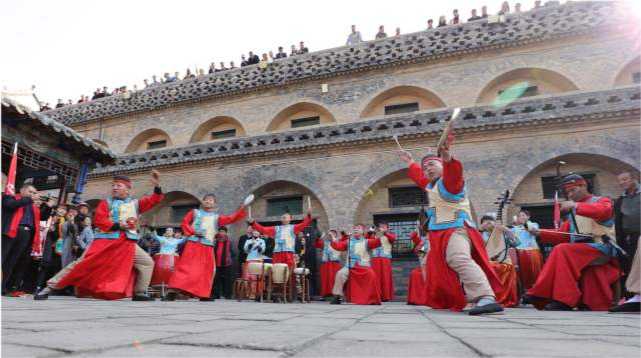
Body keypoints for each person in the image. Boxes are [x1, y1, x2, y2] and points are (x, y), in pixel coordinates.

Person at [398, 130, 504, 315]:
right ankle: (462, 298)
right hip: (439, 234)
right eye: (425, 168)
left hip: (456, 229)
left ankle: (485, 296)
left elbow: (454, 172)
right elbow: (421, 178)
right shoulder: (432, 186)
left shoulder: (450, 183)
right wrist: (410, 162)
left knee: (458, 259)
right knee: (435, 267)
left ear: (441, 165)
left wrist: (447, 157)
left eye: (432, 164)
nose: (428, 169)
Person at [34, 170, 164, 301]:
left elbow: (154, 200)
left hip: (126, 242)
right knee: (81, 264)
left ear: (127, 189)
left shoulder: (135, 204)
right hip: (105, 241)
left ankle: (139, 293)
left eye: (118, 185)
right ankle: (49, 288)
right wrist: (119, 225)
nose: (114, 187)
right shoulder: (106, 203)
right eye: (113, 185)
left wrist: (157, 185)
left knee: (147, 263)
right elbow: (99, 221)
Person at [524, 174, 619, 311]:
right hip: (582, 249)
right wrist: (541, 232)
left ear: (584, 185)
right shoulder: (573, 211)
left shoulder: (601, 201)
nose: (570, 194)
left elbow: (604, 211)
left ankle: (555, 297)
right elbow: (564, 234)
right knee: (562, 248)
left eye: (573, 190)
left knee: (562, 250)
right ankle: (553, 296)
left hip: (602, 247)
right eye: (568, 192)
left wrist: (576, 205)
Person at [164, 193, 246, 301]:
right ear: (203, 202)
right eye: (206, 200)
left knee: (206, 270)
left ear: (215, 204)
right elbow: (184, 224)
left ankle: (203, 294)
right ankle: (172, 291)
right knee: (185, 267)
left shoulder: (217, 217)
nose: (208, 201)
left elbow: (231, 219)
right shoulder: (195, 212)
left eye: (211, 200)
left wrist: (242, 208)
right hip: (193, 243)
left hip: (207, 246)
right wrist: (193, 232)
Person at [0, 184, 54, 294]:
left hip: (26, 234)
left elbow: (42, 217)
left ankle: (2, 285)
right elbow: (11, 206)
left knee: (11, 261)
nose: (33, 194)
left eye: (34, 193)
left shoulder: (33, 206)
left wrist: (48, 207)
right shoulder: (10, 198)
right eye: (31, 192)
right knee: (1, 258)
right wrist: (30, 199)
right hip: (11, 231)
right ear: (22, 190)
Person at [330, 225, 382, 305]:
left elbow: (377, 243)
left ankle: (372, 298)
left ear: (363, 232)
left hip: (363, 265)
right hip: (350, 265)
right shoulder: (348, 241)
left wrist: (379, 234)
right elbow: (338, 246)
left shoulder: (367, 241)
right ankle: (337, 296)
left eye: (358, 228)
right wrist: (333, 239)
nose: (356, 229)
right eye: (355, 228)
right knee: (340, 274)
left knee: (371, 274)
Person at [479, 215, 519, 307]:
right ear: (481, 225)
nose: (488, 223)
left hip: (504, 262)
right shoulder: (480, 235)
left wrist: (507, 231)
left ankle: (502, 297)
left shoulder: (503, 234)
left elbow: (517, 243)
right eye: (485, 222)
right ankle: (486, 296)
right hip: (487, 261)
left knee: (502, 267)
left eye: (490, 221)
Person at [614, 170, 641, 298]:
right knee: (630, 265)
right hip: (629, 238)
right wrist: (619, 243)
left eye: (624, 179)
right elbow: (618, 221)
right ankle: (632, 297)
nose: (621, 183)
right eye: (620, 181)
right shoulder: (620, 200)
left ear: (635, 178)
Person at [511, 209, 543, 291]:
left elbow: (533, 232)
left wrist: (525, 224)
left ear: (528, 217)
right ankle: (524, 289)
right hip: (519, 252)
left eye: (523, 215)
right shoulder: (514, 228)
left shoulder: (533, 224)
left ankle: (536, 288)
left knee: (534, 270)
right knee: (522, 272)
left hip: (532, 251)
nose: (521, 217)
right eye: (519, 216)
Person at [369, 223, 396, 302]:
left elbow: (393, 238)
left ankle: (385, 296)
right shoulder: (374, 236)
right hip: (375, 259)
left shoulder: (389, 235)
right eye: (380, 227)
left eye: (383, 227)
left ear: (387, 229)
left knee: (385, 277)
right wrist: (371, 232)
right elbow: (367, 240)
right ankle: (376, 295)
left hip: (385, 259)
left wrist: (384, 232)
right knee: (375, 277)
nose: (381, 228)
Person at [315, 229, 345, 299]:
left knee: (335, 278)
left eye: (333, 233)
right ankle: (324, 295)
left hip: (334, 263)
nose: (331, 235)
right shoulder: (325, 242)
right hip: (325, 263)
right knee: (325, 279)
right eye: (330, 233)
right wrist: (320, 238)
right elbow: (317, 244)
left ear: (335, 235)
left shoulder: (338, 241)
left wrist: (338, 236)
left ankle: (337, 295)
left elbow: (344, 242)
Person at [212, 226, 235, 299]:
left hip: (227, 263)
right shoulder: (215, 241)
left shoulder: (230, 241)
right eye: (220, 231)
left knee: (228, 280)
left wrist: (229, 258)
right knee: (216, 280)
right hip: (216, 263)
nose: (221, 233)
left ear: (226, 233)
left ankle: (228, 295)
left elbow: (233, 252)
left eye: (223, 231)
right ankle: (216, 294)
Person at [407, 229, 429, 305]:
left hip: (432, 266)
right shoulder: (423, 241)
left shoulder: (434, 241)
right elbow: (413, 237)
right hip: (424, 266)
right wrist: (416, 230)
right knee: (414, 273)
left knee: (417, 275)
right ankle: (415, 299)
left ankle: (423, 298)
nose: (427, 235)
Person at [243, 229, 266, 299]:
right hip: (249, 260)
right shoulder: (248, 241)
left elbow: (263, 250)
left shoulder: (262, 241)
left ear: (259, 233)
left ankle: (258, 294)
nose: (256, 232)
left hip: (258, 260)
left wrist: (259, 247)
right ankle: (249, 294)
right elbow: (245, 250)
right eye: (254, 231)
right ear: (252, 232)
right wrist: (251, 244)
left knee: (258, 278)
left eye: (257, 231)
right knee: (249, 278)